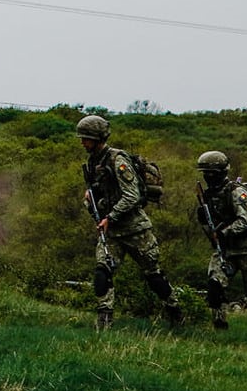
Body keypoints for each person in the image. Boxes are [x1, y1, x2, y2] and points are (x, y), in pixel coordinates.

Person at [75, 115, 185, 331]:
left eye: (86, 138)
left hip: (136, 230)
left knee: (153, 276)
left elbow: (132, 196)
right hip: (112, 232)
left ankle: (176, 313)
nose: (82, 142)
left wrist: (111, 216)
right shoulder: (93, 162)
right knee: (102, 274)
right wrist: (91, 201)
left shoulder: (118, 160)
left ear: (98, 138)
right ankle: (104, 324)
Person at [195, 150, 247, 336]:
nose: (208, 177)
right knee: (215, 287)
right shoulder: (209, 195)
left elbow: (246, 221)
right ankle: (220, 331)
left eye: (211, 173)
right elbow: (211, 226)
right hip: (225, 250)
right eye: (205, 173)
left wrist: (224, 233)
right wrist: (205, 222)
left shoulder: (236, 192)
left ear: (222, 172)